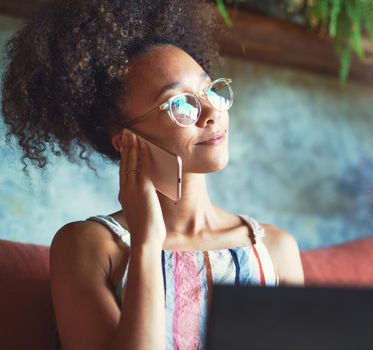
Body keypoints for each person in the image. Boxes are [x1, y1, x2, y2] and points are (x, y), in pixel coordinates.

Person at [1, 0, 305, 349]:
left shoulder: (275, 249)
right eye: (179, 103)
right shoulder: (88, 246)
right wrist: (147, 242)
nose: (211, 112)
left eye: (208, 90)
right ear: (125, 140)